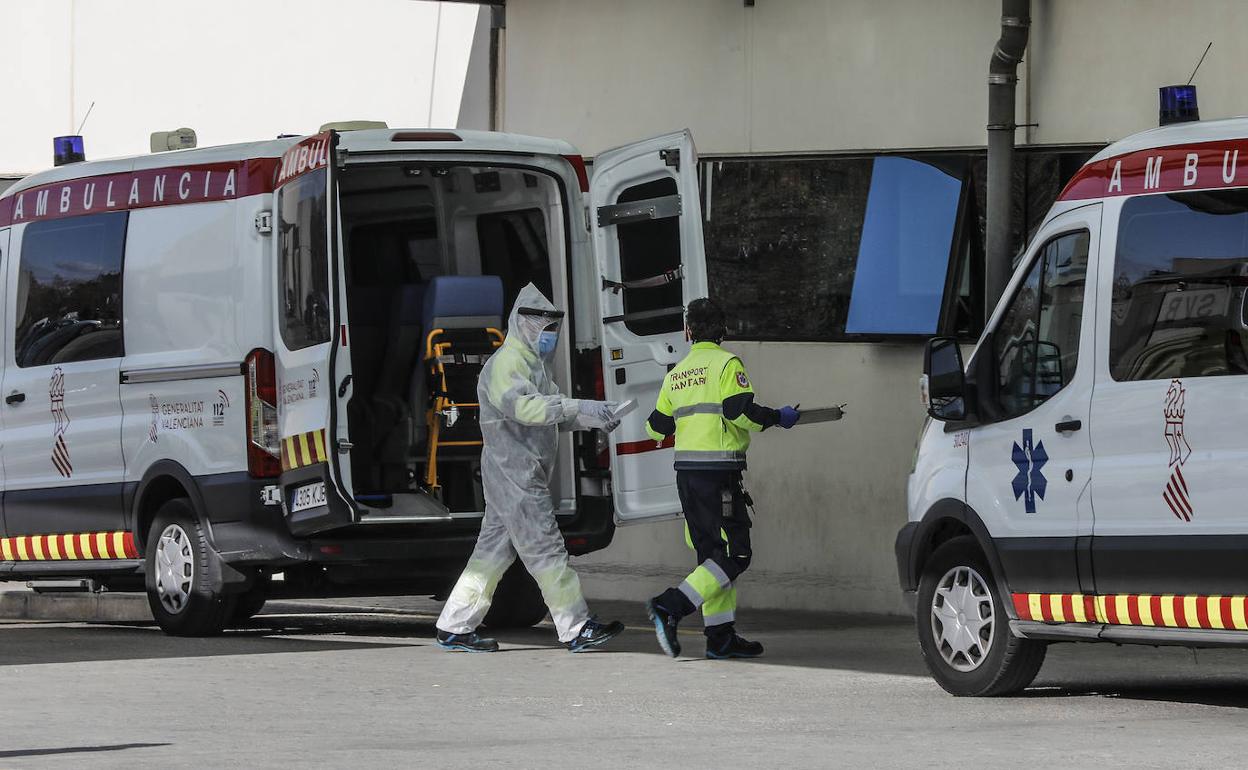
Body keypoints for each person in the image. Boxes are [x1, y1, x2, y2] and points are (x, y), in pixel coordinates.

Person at [436, 283, 626, 653]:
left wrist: (593, 416)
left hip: (517, 473)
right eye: (545, 327)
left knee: (491, 554)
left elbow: (550, 414)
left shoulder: (533, 365)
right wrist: (577, 407)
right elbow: (528, 410)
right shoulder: (507, 364)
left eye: (553, 328)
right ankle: (575, 626)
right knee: (547, 548)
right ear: (524, 325)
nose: (549, 335)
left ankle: (454, 626)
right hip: (516, 474)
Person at [643, 298, 800, 660]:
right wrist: (779, 416)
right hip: (718, 475)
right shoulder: (727, 363)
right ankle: (670, 606)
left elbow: (656, 427)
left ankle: (720, 637)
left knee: (711, 557)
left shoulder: (676, 373)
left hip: (687, 477)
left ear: (688, 331)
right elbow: (739, 412)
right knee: (735, 553)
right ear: (723, 330)